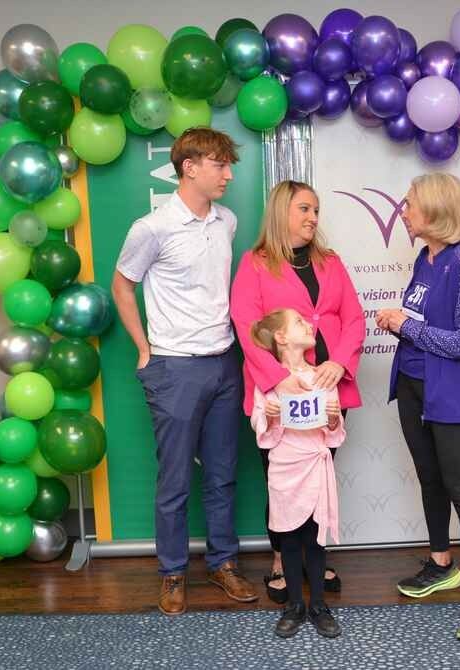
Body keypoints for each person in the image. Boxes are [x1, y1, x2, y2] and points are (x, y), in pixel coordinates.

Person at [112, 127, 257, 616]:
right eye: (220, 165)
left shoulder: (227, 221)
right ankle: (172, 573)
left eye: (229, 165)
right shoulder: (151, 228)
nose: (228, 175)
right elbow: (122, 286)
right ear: (189, 167)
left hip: (225, 363)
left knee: (222, 474)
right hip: (174, 367)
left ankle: (223, 564)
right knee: (174, 481)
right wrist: (144, 349)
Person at [375, 173, 460, 644]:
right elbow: (425, 321)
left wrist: (405, 327)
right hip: (413, 386)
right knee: (430, 478)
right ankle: (441, 563)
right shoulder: (423, 259)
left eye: (409, 203)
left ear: (434, 210)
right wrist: (402, 321)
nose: (403, 211)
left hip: (448, 392)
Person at [230, 180, 365, 604]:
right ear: (281, 213)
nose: (313, 217)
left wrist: (339, 363)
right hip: (279, 395)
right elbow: (246, 326)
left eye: (316, 210)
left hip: (327, 390)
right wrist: (276, 378)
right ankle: (280, 559)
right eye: (304, 209)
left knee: (320, 476)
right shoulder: (255, 264)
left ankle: (315, 557)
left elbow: (354, 318)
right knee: (283, 481)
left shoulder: (330, 262)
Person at [250, 308, 345, 638]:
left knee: (315, 539)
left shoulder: (322, 377)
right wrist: (270, 416)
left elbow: (333, 434)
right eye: (300, 323)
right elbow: (260, 430)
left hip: (314, 468)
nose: (308, 325)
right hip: (284, 471)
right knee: (289, 539)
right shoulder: (270, 383)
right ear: (281, 337)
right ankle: (294, 605)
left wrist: (332, 418)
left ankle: (318, 604)